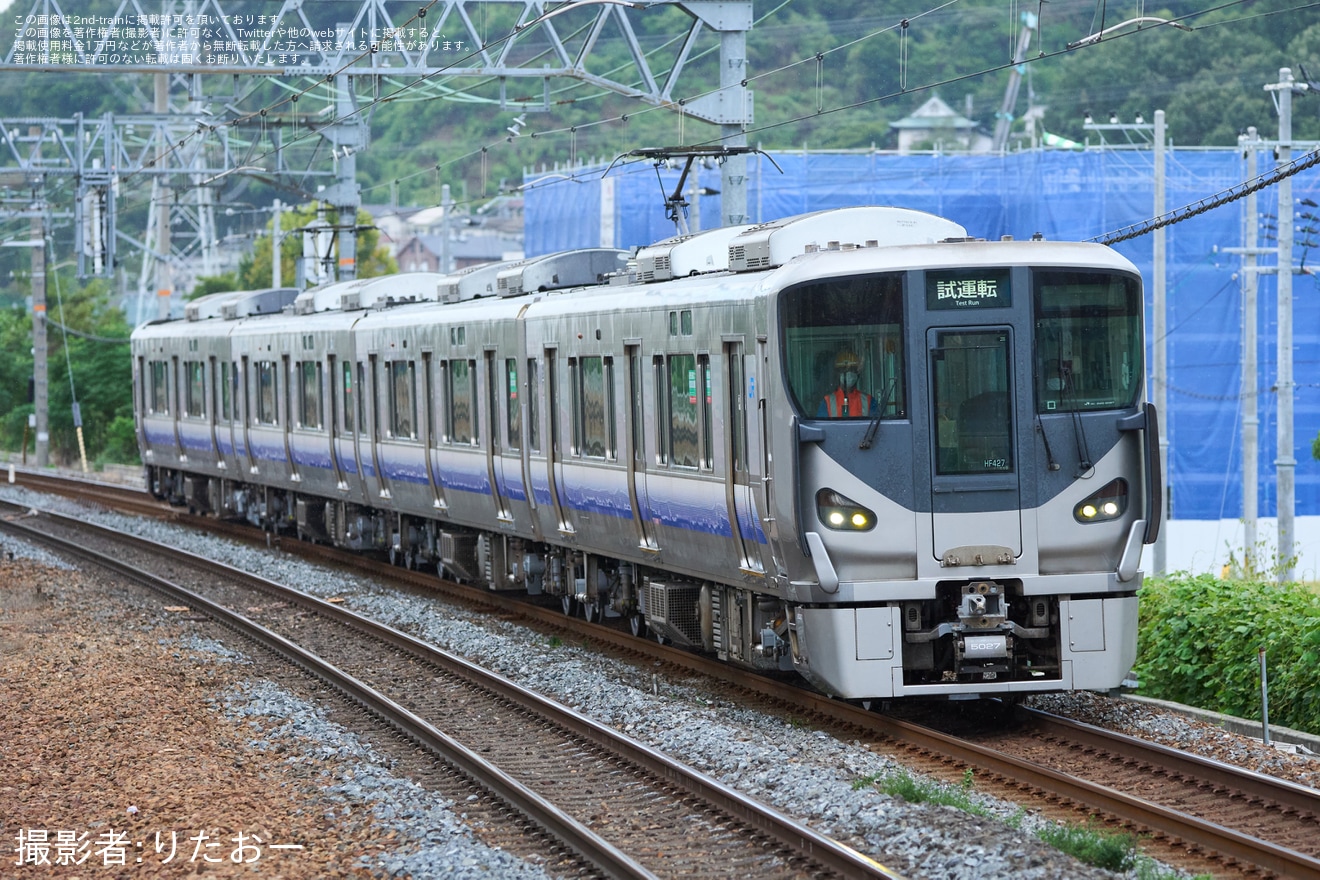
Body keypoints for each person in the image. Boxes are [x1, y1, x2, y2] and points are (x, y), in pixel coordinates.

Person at [818, 350, 877, 418]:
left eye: (852, 369)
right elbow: (822, 426)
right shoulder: (827, 402)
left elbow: (876, 424)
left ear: (857, 373)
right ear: (837, 373)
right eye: (844, 370)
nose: (848, 373)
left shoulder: (868, 401)